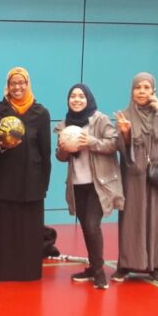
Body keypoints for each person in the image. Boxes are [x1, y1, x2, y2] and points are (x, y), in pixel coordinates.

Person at [0, 67, 51, 282]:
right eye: (13, 83)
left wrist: (43, 183)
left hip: (30, 183)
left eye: (22, 83)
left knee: (28, 230)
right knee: (3, 231)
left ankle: (27, 271)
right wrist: (2, 145)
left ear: (28, 84)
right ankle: (0, 270)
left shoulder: (41, 113)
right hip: (1, 182)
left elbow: (45, 150)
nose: (17, 87)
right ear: (7, 86)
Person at [113, 72, 158, 285]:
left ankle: (156, 266)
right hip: (134, 178)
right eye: (137, 88)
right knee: (132, 220)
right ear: (132, 91)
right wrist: (125, 134)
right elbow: (120, 149)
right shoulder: (125, 115)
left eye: (146, 87)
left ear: (153, 90)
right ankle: (126, 264)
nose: (141, 92)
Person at [53, 83, 124, 289]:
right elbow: (61, 156)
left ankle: (99, 271)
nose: (76, 100)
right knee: (86, 227)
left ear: (88, 99)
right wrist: (64, 149)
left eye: (81, 96)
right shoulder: (65, 124)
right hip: (78, 184)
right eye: (73, 96)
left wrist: (90, 142)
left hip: (98, 185)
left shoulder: (99, 119)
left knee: (93, 225)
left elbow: (114, 144)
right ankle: (93, 267)